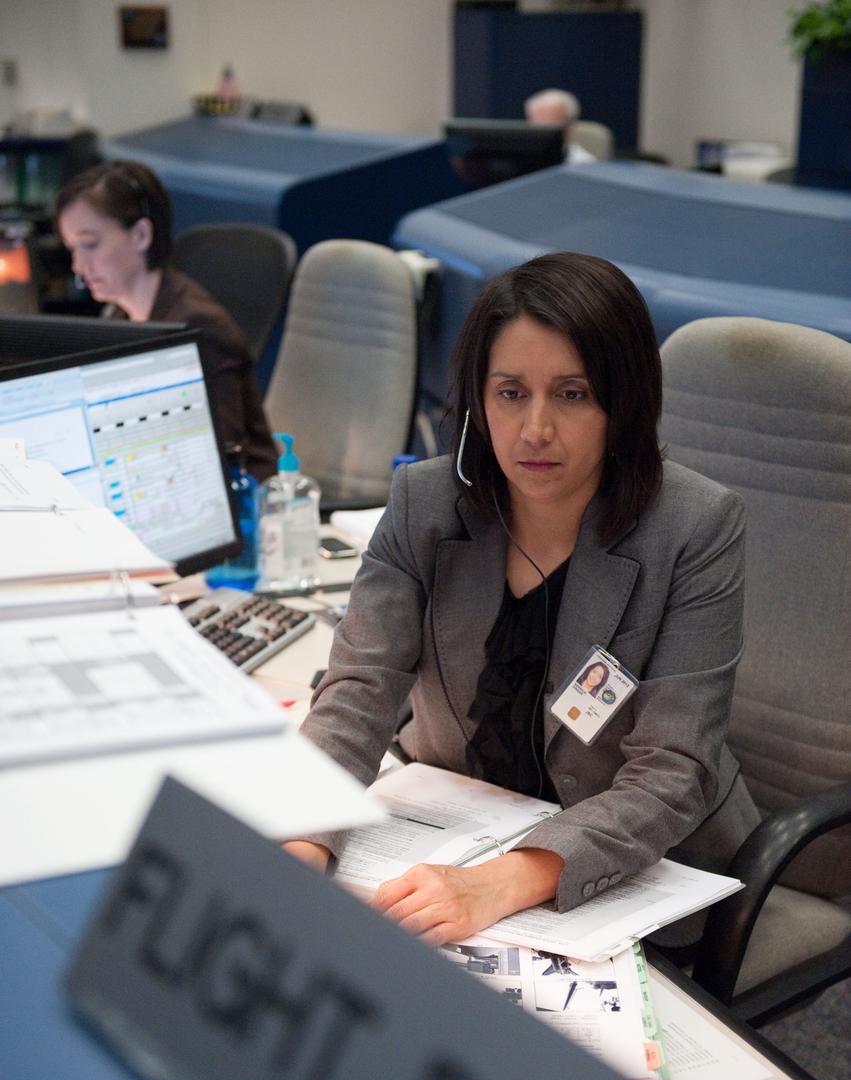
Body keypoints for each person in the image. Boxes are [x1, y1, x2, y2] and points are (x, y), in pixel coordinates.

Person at [289, 251, 759, 948]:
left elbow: (671, 773)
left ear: (619, 403)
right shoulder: (425, 504)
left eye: (570, 394)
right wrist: (299, 847)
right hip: (458, 832)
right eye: (510, 393)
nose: (534, 429)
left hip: (631, 868)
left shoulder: (693, 528)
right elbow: (359, 693)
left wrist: (503, 881)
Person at [55, 160, 278, 481]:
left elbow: (223, 455)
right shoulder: (120, 316)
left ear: (141, 235)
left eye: (90, 244)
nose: (78, 264)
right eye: (72, 248)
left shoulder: (196, 326)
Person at [524, 89, 595, 165]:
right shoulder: (519, 162)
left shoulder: (585, 164)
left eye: (551, 127)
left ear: (570, 126)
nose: (544, 134)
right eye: (538, 127)